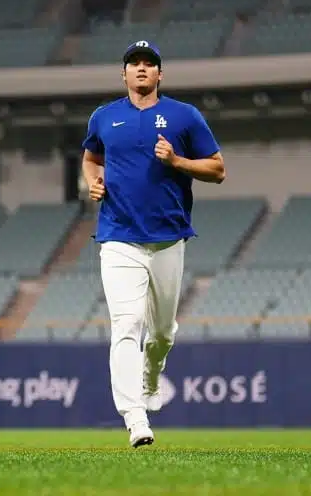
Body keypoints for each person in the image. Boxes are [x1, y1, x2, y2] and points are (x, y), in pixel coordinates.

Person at [82, 40, 225, 448]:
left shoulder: (184, 116)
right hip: (118, 237)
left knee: (161, 332)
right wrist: (93, 180)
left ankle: (150, 376)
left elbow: (218, 169)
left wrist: (179, 162)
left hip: (168, 239)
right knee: (126, 325)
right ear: (123, 74)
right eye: (134, 64)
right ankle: (135, 418)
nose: (141, 69)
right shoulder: (104, 117)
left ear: (160, 74)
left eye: (149, 64)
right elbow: (91, 158)